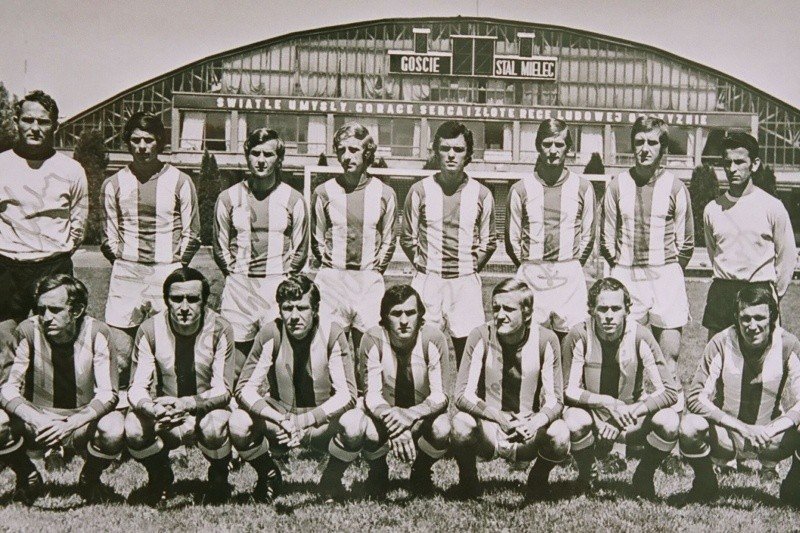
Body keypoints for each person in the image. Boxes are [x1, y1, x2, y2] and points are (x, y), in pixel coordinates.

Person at [229, 274, 357, 502]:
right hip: (281, 419)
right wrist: (279, 418)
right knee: (238, 422)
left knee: (355, 423)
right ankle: (269, 474)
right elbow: (244, 389)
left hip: (319, 421)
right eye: (288, 308)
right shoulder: (271, 332)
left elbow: (347, 395)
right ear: (280, 310)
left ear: (315, 309)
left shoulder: (332, 332)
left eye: (302, 308)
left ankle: (331, 479)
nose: (294, 316)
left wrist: (304, 421)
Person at [101, 112, 201, 398]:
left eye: (148, 140)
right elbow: (108, 236)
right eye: (135, 140)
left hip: (166, 270)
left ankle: (173, 407)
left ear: (160, 142)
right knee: (121, 353)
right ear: (127, 143)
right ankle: (123, 405)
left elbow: (193, 233)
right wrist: (126, 261)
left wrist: (174, 265)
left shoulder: (180, 181)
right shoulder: (113, 183)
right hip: (127, 272)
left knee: (169, 351)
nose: (142, 147)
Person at [0, 274, 123, 504]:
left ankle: (90, 479)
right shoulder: (28, 330)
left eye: (55, 310)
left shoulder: (98, 332)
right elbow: (7, 389)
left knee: (114, 427)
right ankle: (27, 475)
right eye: (42, 310)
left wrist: (71, 424)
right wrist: (37, 419)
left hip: (79, 423)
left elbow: (108, 393)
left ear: (76, 311)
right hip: (37, 422)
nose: (47, 317)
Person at [599, 116, 693, 409]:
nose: (645, 148)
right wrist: (622, 268)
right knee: (627, 356)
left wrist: (667, 270)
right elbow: (606, 239)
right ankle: (628, 421)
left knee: (668, 357)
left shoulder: (676, 187)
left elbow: (686, 243)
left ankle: (671, 422)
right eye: (639, 142)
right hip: (627, 274)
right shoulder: (617, 185)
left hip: (666, 276)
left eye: (652, 142)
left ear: (663, 148)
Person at [680, 284, 800, 506]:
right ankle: (705, 482)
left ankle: (793, 486)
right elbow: (695, 397)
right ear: (736, 317)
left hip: (770, 439)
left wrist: (770, 430)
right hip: (728, 436)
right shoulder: (721, 342)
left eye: (759, 318)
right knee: (689, 426)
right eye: (745, 318)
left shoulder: (788, 344)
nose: (752, 326)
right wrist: (744, 429)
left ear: (772, 317)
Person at [124, 267, 235, 506]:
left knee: (214, 426)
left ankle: (219, 475)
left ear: (204, 301)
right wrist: (152, 408)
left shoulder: (220, 328)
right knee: (133, 427)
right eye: (177, 299)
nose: (184, 307)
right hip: (166, 413)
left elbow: (224, 389)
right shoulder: (150, 329)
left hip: (205, 409)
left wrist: (188, 404)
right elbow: (137, 387)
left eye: (193, 299)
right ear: (166, 301)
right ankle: (159, 474)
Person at [450, 279, 569, 501]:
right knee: (460, 422)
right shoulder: (480, 334)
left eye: (508, 309)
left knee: (560, 433)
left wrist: (534, 423)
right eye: (496, 308)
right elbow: (462, 394)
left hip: (526, 430)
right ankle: (468, 481)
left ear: (527, 313)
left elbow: (555, 400)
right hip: (489, 429)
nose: (500, 315)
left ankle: (538, 479)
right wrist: (499, 418)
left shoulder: (546, 339)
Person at [561, 277, 679, 499]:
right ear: (591, 310)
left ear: (627, 310)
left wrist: (627, 413)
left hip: (630, 418)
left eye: (616, 309)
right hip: (594, 418)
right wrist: (606, 402)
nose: (609, 315)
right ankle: (587, 474)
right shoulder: (579, 334)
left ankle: (644, 475)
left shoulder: (640, 335)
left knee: (669, 421)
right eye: (602, 309)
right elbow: (567, 390)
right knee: (573, 420)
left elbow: (669, 391)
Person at [333, 284, 451, 498]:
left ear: (420, 315)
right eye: (396, 314)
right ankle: (378, 470)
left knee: (443, 427)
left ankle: (421, 470)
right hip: (384, 416)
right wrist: (396, 423)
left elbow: (440, 395)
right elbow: (372, 395)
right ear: (385, 317)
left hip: (420, 417)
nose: (404, 320)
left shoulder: (433, 338)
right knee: (362, 425)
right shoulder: (372, 338)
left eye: (410, 313)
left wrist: (410, 415)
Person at [401, 121, 497, 366]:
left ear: (468, 154)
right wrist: (424, 265)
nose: (451, 155)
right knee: (419, 353)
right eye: (445, 149)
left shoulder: (482, 194)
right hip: (428, 280)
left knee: (471, 355)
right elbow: (407, 238)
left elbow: (489, 242)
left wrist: (469, 266)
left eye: (458, 149)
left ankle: (469, 393)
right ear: (436, 151)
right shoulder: (419, 190)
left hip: (465, 283)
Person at [214, 128, 308, 374]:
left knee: (278, 357)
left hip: (276, 284)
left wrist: (284, 278)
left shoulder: (293, 199)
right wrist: (234, 274)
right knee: (236, 359)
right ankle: (236, 397)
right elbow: (220, 245)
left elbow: (300, 249)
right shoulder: (228, 197)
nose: (261, 160)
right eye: (255, 153)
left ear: (279, 159)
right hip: (240, 286)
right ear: (247, 156)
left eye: (268, 154)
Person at [0, 91, 88, 342]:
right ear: (16, 121)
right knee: (5, 341)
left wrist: (55, 252)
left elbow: (78, 223)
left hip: (53, 266)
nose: (35, 128)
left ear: (55, 126)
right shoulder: (1, 164)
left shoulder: (71, 170)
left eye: (43, 122)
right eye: (28, 120)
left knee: (58, 340)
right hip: (6, 267)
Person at [311, 122, 397, 361]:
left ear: (367, 153)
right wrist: (332, 267)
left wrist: (374, 270)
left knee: (368, 353)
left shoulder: (384, 193)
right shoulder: (324, 192)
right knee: (329, 352)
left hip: (368, 281)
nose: (346, 156)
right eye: (341, 150)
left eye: (353, 149)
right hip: (333, 281)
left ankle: (365, 387)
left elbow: (389, 240)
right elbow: (316, 238)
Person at [505, 119, 595, 340]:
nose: (553, 151)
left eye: (559, 144)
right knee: (532, 343)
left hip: (569, 274)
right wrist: (530, 266)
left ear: (568, 148)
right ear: (538, 146)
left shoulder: (583, 187)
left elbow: (588, 236)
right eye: (547, 144)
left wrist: (571, 265)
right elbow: (512, 240)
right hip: (532, 272)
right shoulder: (520, 189)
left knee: (572, 342)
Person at [702, 131, 796, 339]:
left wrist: (771, 295)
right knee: (717, 353)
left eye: (739, 162)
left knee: (763, 356)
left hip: (758, 292)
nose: (732, 169)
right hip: (722, 292)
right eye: (727, 163)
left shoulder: (772, 206)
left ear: (754, 164)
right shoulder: (712, 209)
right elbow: (713, 252)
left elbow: (787, 257)